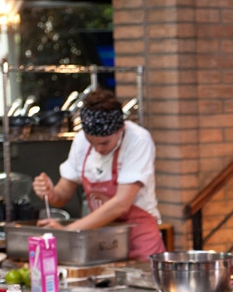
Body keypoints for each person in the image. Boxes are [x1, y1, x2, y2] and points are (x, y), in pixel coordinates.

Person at [32, 89, 165, 261]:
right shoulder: (80, 140)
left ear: (121, 128)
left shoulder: (139, 140)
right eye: (91, 142)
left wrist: (69, 232)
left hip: (138, 240)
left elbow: (121, 204)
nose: (98, 149)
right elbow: (63, 194)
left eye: (104, 143)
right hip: (101, 241)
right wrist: (50, 193)